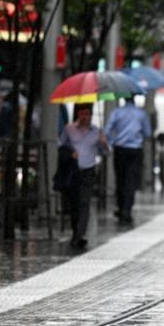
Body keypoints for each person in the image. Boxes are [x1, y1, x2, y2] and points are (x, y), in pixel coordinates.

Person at [57, 103, 109, 249]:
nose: (84, 117)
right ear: (78, 114)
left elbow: (105, 153)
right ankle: (76, 232)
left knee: (84, 202)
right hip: (73, 171)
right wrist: (69, 153)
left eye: (87, 114)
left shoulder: (97, 132)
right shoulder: (69, 129)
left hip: (88, 170)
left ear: (91, 115)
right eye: (82, 114)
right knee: (74, 204)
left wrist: (104, 143)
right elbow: (61, 146)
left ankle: (79, 235)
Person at [104, 98, 152, 226]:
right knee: (131, 181)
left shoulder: (116, 112)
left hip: (119, 149)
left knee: (120, 179)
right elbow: (147, 133)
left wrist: (111, 141)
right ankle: (127, 211)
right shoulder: (141, 114)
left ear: (124, 98)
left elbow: (107, 130)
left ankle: (120, 208)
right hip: (135, 150)